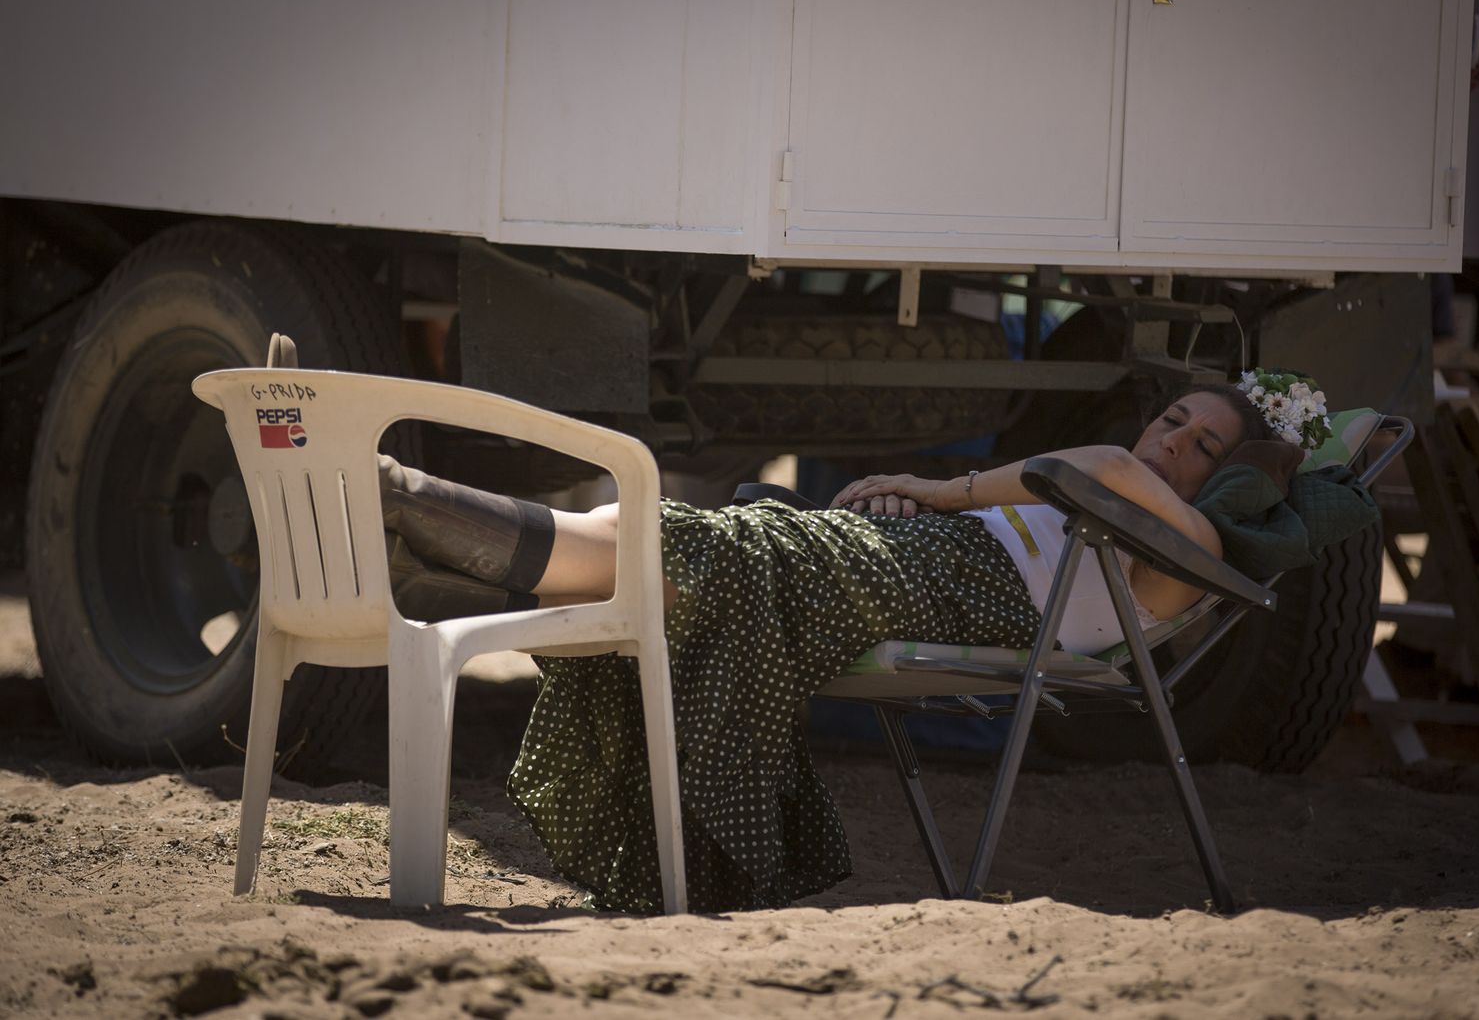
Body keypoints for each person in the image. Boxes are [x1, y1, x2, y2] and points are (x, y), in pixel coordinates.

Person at [379, 379, 1314, 914]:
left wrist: (931, 486)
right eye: (1171, 420)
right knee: (721, 551)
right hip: (926, 565)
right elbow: (1059, 489)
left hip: (963, 600)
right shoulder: (1094, 502)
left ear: (1224, 476)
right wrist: (915, 505)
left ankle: (425, 513)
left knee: (718, 550)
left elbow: (1099, 467)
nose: (1171, 443)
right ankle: (444, 553)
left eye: (1201, 444)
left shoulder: (1194, 546)